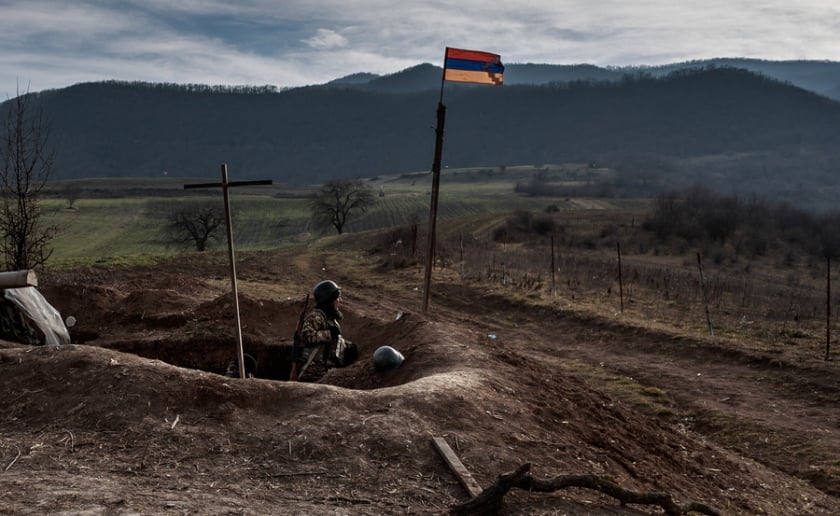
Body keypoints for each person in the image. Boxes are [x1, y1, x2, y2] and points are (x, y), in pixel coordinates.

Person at [295, 280, 357, 381]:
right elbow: (306, 338)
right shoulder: (316, 317)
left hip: (327, 373)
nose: (340, 301)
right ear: (329, 300)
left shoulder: (330, 319)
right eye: (338, 298)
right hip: (313, 374)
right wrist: (329, 334)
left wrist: (346, 346)